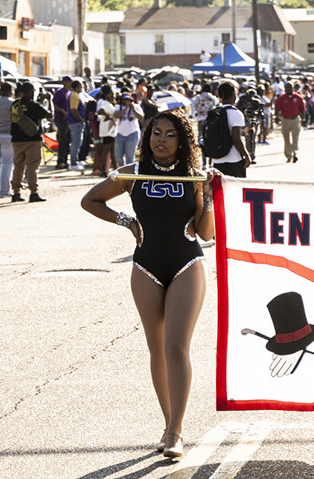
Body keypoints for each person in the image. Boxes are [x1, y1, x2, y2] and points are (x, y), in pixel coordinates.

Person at [80, 111, 215, 458]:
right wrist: (125, 220)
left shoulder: (194, 177)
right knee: (156, 349)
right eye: (157, 132)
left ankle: (176, 431)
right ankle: (169, 422)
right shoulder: (132, 172)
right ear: (147, 136)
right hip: (145, 267)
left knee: (176, 346)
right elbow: (90, 200)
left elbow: (206, 233)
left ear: (181, 141)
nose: (162, 140)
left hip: (187, 263)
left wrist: (210, 196)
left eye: (171, 135)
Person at [9, 83, 50, 203]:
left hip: (16, 139)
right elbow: (48, 115)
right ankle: (33, 192)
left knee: (18, 166)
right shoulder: (33, 105)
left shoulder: (15, 104)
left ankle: (16, 192)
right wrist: (46, 101)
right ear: (31, 91)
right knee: (32, 166)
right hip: (32, 139)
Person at [210, 80, 252, 178]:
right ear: (233, 95)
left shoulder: (214, 113)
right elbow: (236, 139)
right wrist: (246, 155)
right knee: (236, 190)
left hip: (217, 159)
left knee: (220, 192)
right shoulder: (236, 113)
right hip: (234, 160)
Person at [274, 81, 305, 163]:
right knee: (286, 138)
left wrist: (304, 119)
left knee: (295, 137)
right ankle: (288, 155)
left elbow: (302, 109)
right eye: (287, 87)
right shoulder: (282, 98)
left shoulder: (298, 97)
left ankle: (294, 152)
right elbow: (277, 108)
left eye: (290, 87)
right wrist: (276, 117)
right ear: (285, 89)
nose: (289, 89)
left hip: (295, 119)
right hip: (285, 119)